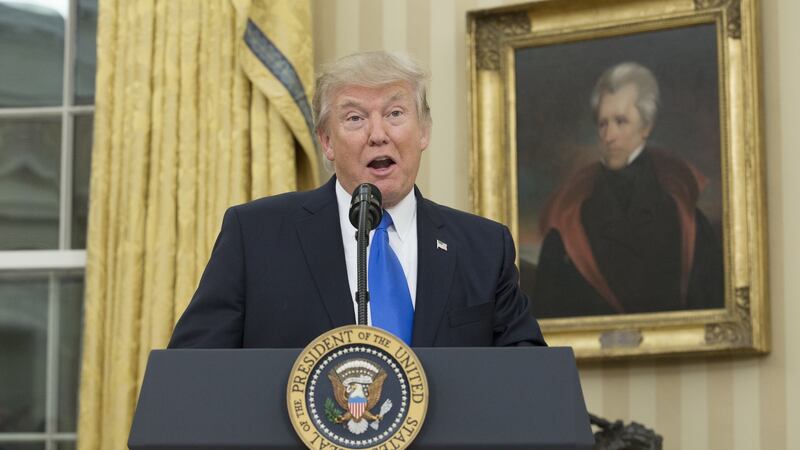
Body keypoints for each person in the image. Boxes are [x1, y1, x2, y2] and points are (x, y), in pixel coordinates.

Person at [168, 51, 545, 348]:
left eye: (395, 113)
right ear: (327, 142)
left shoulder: (483, 246)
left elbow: (526, 379)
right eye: (354, 118)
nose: (378, 134)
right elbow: (196, 374)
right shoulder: (255, 236)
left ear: (424, 131)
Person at [530, 62, 724, 318]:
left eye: (621, 122)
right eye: (602, 124)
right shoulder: (569, 224)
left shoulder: (685, 220)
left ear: (646, 127)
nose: (609, 136)